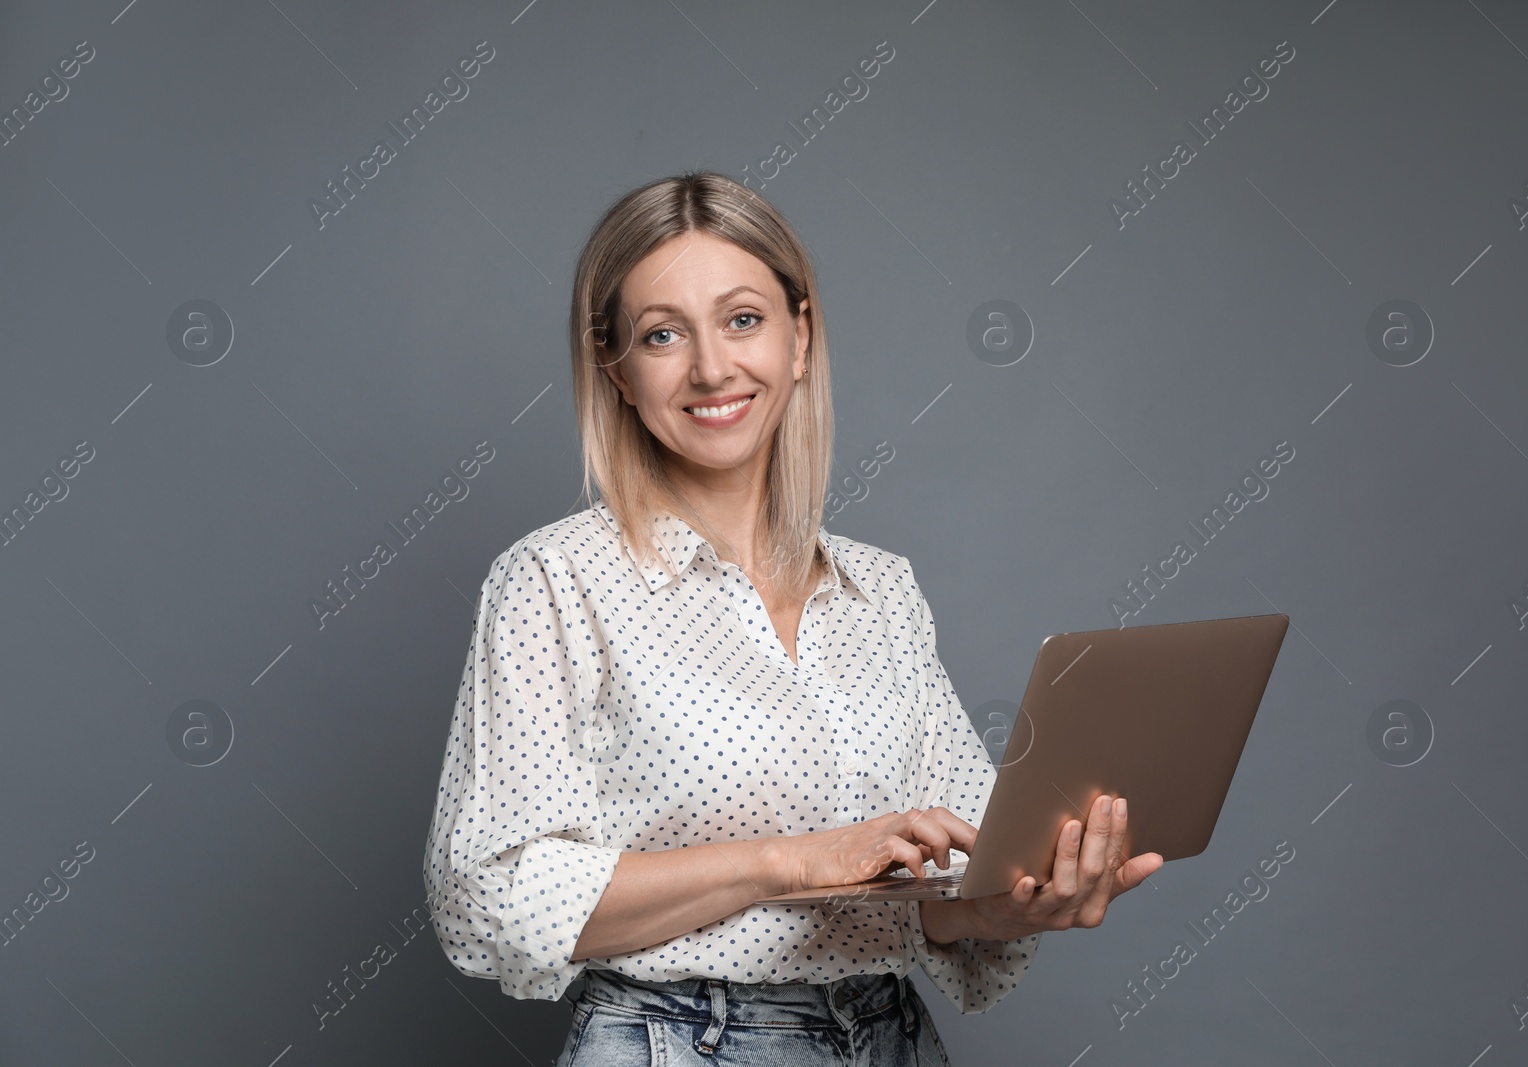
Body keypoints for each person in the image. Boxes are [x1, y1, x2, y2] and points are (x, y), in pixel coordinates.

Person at [423, 171, 1163, 1065]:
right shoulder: (555, 580)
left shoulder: (883, 593)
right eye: (663, 334)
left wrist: (1015, 903)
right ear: (614, 366)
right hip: (678, 1043)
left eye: (743, 319)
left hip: (891, 1037)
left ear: (800, 337)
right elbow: (488, 891)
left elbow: (950, 880)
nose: (711, 367)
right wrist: (791, 859)